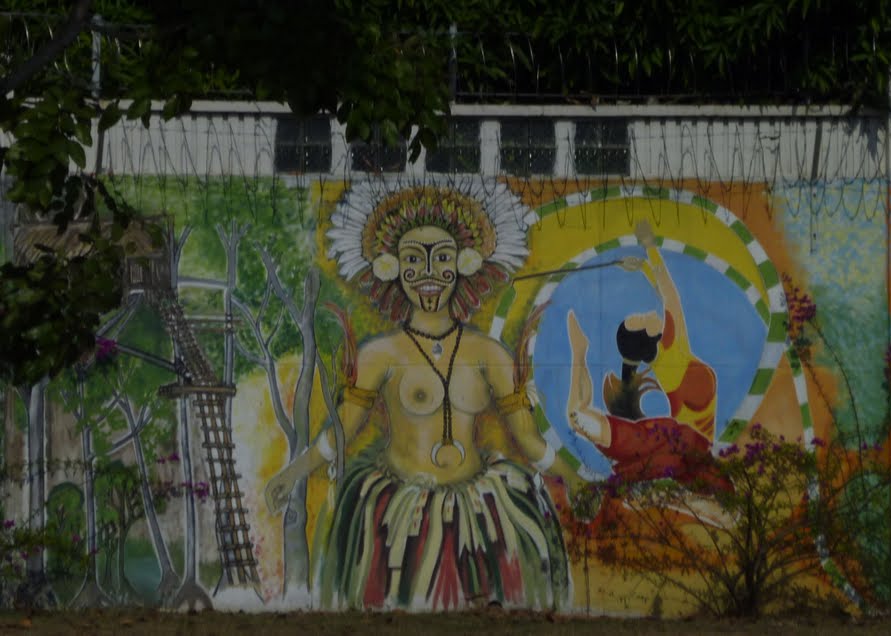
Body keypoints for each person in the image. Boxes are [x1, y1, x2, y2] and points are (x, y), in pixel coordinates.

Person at [265, 184, 579, 611]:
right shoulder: (381, 356)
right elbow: (339, 434)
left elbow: (528, 441)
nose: (429, 274)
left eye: (442, 259)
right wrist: (292, 473)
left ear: (466, 265)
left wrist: (571, 475)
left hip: (479, 513)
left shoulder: (489, 354)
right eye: (413, 260)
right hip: (398, 520)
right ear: (391, 267)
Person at [565, 221, 733, 526]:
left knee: (729, 511)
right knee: (728, 508)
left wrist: (643, 266)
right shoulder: (673, 346)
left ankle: (662, 495)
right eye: (642, 318)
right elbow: (669, 293)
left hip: (682, 447)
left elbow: (665, 296)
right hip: (677, 440)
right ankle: (659, 493)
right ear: (653, 334)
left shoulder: (668, 352)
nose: (648, 312)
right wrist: (649, 247)